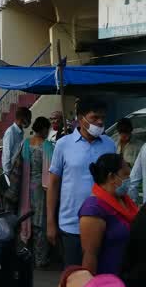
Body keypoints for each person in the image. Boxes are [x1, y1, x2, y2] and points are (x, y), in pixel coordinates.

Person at [47, 97, 117, 267]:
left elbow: (115, 182)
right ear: (81, 119)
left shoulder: (110, 145)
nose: (100, 122)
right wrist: (50, 222)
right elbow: (54, 184)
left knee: (100, 280)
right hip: (71, 225)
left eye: (102, 118)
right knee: (75, 279)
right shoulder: (63, 145)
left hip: (103, 222)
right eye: (95, 118)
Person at [78, 153, 139, 275]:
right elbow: (90, 257)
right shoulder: (93, 210)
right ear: (111, 177)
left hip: (130, 277)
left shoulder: (124, 200)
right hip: (109, 280)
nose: (129, 180)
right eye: (126, 175)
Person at [19, 116, 55, 268]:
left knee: (26, 220)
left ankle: (26, 255)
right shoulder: (47, 146)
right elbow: (53, 169)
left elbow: (17, 163)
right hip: (42, 188)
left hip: (25, 187)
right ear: (44, 129)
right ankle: (40, 258)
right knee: (40, 223)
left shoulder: (25, 143)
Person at [1, 107, 32, 203]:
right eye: (29, 119)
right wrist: (7, 174)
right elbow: (6, 154)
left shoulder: (20, 132)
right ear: (22, 118)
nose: (29, 122)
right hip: (10, 173)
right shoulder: (11, 132)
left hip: (16, 171)